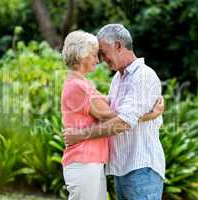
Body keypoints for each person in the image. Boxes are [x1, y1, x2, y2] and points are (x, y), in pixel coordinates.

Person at [64, 24, 165, 200]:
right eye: (97, 55)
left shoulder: (142, 76)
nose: (101, 59)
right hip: (122, 169)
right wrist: (150, 115)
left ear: (118, 46)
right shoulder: (118, 79)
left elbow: (122, 121)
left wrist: (81, 135)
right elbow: (114, 114)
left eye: (103, 53)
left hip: (141, 168)